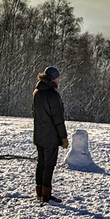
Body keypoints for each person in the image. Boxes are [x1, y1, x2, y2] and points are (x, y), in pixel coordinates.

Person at [32, 66, 68, 203]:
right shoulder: (53, 95)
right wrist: (63, 137)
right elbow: (58, 119)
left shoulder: (37, 92)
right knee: (49, 165)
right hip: (51, 137)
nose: (59, 80)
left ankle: (39, 192)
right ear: (53, 78)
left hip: (39, 135)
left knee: (41, 163)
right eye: (58, 77)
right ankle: (46, 194)